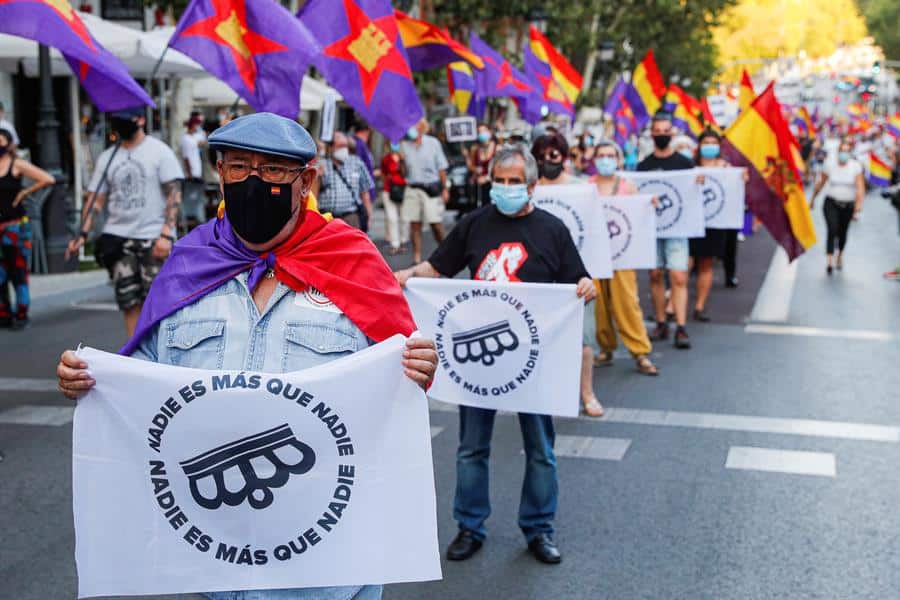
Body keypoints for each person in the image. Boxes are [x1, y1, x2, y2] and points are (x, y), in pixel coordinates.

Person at [57, 112, 439, 600]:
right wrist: (90, 379)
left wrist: (420, 367)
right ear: (219, 172)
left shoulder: (354, 262)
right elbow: (143, 382)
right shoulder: (190, 261)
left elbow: (402, 382)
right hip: (210, 563)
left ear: (307, 181)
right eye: (239, 167)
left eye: (273, 170)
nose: (253, 181)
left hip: (323, 569)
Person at [394, 144, 595, 565]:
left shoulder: (552, 230)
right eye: (499, 181)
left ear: (533, 185)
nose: (506, 189)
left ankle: (539, 528)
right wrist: (402, 278)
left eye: (514, 182)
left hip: (535, 356)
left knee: (541, 449)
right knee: (471, 447)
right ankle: (470, 526)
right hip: (479, 356)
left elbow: (577, 282)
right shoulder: (474, 225)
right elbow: (436, 270)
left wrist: (586, 287)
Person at [65, 107, 184, 337]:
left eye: (124, 120)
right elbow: (96, 201)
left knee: (158, 301)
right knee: (128, 301)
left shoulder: (159, 152)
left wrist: (167, 234)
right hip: (118, 239)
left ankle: (161, 355)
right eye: (116, 121)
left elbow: (174, 193)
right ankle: (135, 354)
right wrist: (82, 234)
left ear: (140, 119)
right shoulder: (108, 157)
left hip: (152, 236)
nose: (119, 125)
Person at [530, 132, 604, 417]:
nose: (547, 160)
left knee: (584, 340)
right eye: (541, 155)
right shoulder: (530, 190)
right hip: (539, 279)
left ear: (563, 156)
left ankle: (586, 393)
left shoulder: (582, 189)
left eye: (553, 154)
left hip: (577, 275)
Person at [590, 139, 659, 377]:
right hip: (595, 255)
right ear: (594, 159)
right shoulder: (587, 187)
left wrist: (649, 204)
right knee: (599, 304)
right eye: (601, 155)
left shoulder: (627, 186)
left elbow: (637, 215)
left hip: (623, 255)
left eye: (610, 155)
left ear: (618, 160)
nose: (606, 160)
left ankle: (640, 352)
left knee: (627, 302)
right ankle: (606, 348)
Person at [638, 112, 695, 349]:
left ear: (672, 133)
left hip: (677, 229)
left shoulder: (684, 164)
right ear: (652, 134)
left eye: (665, 131)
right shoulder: (643, 166)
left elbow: (693, 195)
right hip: (652, 230)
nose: (661, 135)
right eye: (657, 131)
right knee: (654, 275)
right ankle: (661, 322)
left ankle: (681, 327)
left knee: (678, 276)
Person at [0, 128, 54, 328]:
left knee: (18, 271)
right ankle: (4, 313)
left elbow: (48, 178)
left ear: (8, 143)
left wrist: (25, 192)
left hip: (15, 228)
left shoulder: (16, 164)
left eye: (1, 140)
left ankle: (21, 313)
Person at [689, 129, 733, 321]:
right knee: (686, 263)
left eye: (712, 143)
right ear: (699, 145)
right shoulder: (690, 166)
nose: (709, 146)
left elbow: (734, 192)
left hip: (715, 223)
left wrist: (740, 179)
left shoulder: (726, 168)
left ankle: (699, 306)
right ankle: (672, 306)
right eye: (705, 142)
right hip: (690, 222)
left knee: (706, 264)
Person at [810, 139, 865, 275]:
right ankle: (829, 259)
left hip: (847, 205)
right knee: (832, 228)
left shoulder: (855, 166)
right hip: (831, 203)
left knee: (842, 232)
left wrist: (858, 205)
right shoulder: (830, 165)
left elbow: (860, 187)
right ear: (838, 152)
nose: (844, 154)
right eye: (842, 151)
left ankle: (839, 254)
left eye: (847, 151)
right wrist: (812, 199)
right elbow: (821, 183)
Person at [400, 119, 449, 263]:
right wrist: (401, 161)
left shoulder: (433, 143)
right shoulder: (404, 145)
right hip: (413, 188)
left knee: (435, 223)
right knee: (414, 224)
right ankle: (417, 257)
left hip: (431, 188)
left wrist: (445, 188)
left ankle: (445, 252)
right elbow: (404, 173)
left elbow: (441, 168)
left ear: (421, 127)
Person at [316, 131, 374, 230]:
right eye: (340, 146)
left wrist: (369, 217)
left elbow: (365, 194)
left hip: (350, 218)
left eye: (345, 146)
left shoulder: (356, 163)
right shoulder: (321, 164)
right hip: (326, 218)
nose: (344, 149)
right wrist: (317, 177)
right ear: (331, 147)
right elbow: (313, 195)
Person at [380, 141, 409, 255]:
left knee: (405, 218)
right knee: (392, 218)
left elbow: (408, 172)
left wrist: (402, 160)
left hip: (404, 190)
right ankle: (395, 244)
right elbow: (383, 173)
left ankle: (403, 241)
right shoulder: (386, 159)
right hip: (389, 190)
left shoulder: (405, 157)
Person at [180, 114, 207, 230]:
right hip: (190, 174)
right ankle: (187, 220)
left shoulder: (194, 137)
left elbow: (203, 142)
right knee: (190, 198)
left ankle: (196, 219)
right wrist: (190, 173)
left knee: (197, 197)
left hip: (197, 172)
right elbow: (186, 157)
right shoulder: (185, 139)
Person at [352, 122, 377, 233]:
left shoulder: (362, 144)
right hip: (362, 190)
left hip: (365, 187)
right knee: (365, 221)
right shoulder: (358, 144)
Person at [464, 123, 496, 209]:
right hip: (479, 186)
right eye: (479, 132)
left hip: (493, 184)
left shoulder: (498, 148)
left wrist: (487, 178)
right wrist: (467, 157)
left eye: (483, 131)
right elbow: (471, 166)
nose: (481, 133)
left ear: (490, 132)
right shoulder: (475, 148)